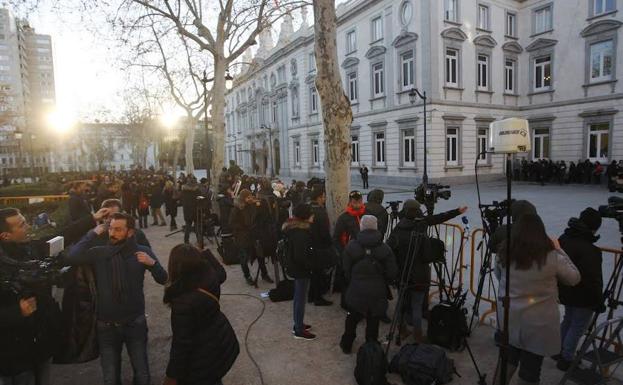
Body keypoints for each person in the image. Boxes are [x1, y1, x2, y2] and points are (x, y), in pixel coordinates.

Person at [65, 212, 168, 385]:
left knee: (142, 375)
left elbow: (164, 279)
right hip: (106, 325)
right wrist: (92, 233)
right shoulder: (100, 253)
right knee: (110, 378)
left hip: (135, 323)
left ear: (130, 232)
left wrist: (153, 264)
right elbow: (72, 256)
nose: (112, 233)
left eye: (118, 229)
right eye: (111, 228)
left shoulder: (141, 253)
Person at [494, 214, 580, 385]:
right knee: (530, 371)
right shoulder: (551, 256)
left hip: (509, 318)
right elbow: (574, 278)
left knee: (506, 363)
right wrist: (559, 249)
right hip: (538, 325)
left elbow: (499, 276)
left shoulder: (504, 253)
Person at [387, 200, 467, 342]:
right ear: (417, 211)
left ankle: (402, 329)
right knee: (417, 305)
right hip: (419, 275)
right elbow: (427, 254)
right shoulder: (421, 227)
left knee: (401, 303)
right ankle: (418, 335)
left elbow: (390, 251)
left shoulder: (397, 229)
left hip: (402, 274)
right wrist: (457, 211)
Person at [0, 208, 63, 385]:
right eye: (22, 224)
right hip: (14, 357)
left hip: (40, 346)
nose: (28, 226)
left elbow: (60, 236)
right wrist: (17, 312)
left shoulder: (28, 250)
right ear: (5, 236)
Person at [163, 244, 238, 385]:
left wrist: (171, 376)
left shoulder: (182, 300)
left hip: (200, 358)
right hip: (217, 344)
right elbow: (221, 272)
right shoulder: (209, 277)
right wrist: (206, 253)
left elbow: (181, 344)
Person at [340, 215, 398, 353]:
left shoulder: (351, 246)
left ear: (361, 227)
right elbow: (392, 272)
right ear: (376, 227)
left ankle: (347, 343)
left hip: (356, 290)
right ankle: (371, 346)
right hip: (377, 292)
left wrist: (354, 280)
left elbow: (345, 270)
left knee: (352, 317)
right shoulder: (385, 249)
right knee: (373, 319)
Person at [557, 208, 603, 371]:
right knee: (577, 326)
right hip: (583, 296)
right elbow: (593, 280)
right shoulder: (591, 250)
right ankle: (567, 358)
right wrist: (598, 300)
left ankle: (559, 349)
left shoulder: (564, 238)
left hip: (565, 290)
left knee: (568, 320)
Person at [282, 203, 316, 340]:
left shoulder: (294, 228)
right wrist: (311, 265)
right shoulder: (301, 233)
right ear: (305, 217)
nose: (313, 216)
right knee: (300, 299)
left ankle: (298, 323)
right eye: (311, 213)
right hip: (300, 269)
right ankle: (299, 330)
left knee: (298, 297)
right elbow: (300, 256)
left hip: (295, 268)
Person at [229, 189, 271, 285]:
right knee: (244, 258)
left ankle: (264, 274)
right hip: (242, 237)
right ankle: (247, 276)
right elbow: (231, 223)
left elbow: (263, 215)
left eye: (250, 196)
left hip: (254, 235)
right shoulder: (237, 208)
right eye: (247, 197)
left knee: (260, 255)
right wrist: (243, 227)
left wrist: (260, 205)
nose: (250, 199)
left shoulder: (253, 206)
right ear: (243, 198)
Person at [333, 191, 366, 294]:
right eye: (354, 201)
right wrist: (343, 253)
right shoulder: (344, 218)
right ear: (350, 202)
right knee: (348, 278)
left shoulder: (367, 215)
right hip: (349, 253)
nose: (357, 203)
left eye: (359, 200)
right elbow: (336, 238)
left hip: (365, 253)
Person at [308, 187, 335, 306]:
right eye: (324, 196)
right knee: (319, 272)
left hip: (309, 244)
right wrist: (331, 244)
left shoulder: (308, 208)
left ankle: (311, 295)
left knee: (313, 272)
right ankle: (317, 298)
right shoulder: (320, 212)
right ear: (319, 198)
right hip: (319, 246)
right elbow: (325, 232)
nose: (325, 199)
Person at [181, 176, 200, 244]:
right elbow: (199, 200)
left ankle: (186, 241)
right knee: (197, 226)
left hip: (187, 211)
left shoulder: (183, 190)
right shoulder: (196, 190)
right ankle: (199, 240)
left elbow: (182, 200)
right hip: (195, 210)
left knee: (188, 227)